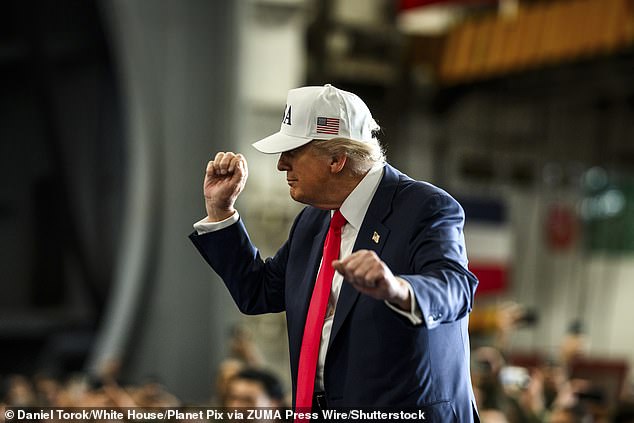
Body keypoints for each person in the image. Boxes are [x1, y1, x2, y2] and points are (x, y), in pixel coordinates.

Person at [190, 84, 479, 421]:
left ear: (337, 159)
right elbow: (259, 292)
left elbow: (456, 288)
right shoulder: (312, 221)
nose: (281, 164)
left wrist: (399, 288)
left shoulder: (426, 207)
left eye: (292, 152)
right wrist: (221, 211)